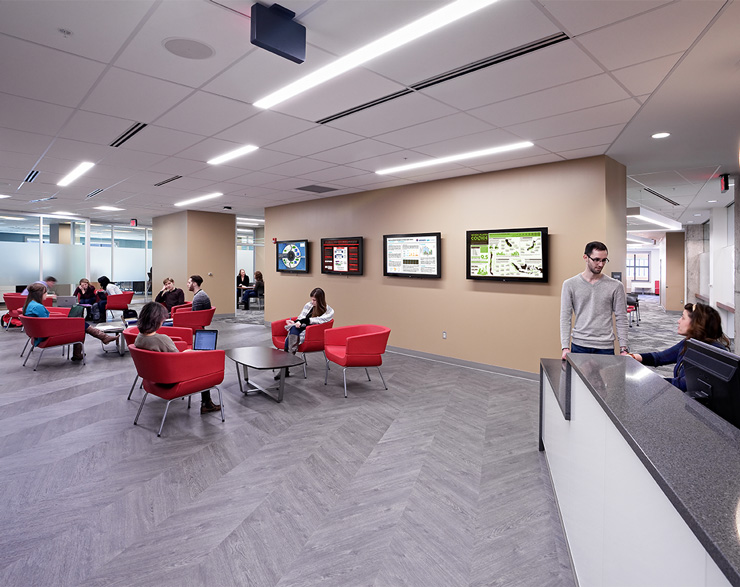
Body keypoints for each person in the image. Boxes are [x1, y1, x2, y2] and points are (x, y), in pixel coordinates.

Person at [133, 301, 220, 413]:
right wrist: (190, 353)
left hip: (152, 379)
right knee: (205, 363)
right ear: (157, 321)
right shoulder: (162, 340)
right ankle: (207, 403)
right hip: (170, 382)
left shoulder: (138, 338)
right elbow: (179, 361)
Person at [631, 303, 730, 391]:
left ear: (696, 323)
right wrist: (633, 357)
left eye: (683, 317)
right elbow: (660, 357)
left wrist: (646, 383)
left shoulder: (710, 353)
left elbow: (684, 384)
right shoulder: (689, 343)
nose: (678, 321)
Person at [560, 241, 628, 360]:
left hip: (605, 347)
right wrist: (565, 346)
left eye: (604, 260)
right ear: (585, 257)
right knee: (577, 379)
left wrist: (624, 348)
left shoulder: (616, 286)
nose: (601, 264)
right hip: (579, 345)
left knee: (605, 379)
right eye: (596, 259)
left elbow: (621, 317)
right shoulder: (570, 284)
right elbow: (565, 317)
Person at [23, 282, 118, 361]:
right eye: (45, 293)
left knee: (79, 324)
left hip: (38, 335)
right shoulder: (38, 307)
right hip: (45, 336)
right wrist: (64, 322)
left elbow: (46, 322)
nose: (46, 295)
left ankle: (102, 338)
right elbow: (47, 324)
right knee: (80, 325)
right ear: (39, 294)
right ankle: (100, 339)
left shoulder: (29, 305)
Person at [277, 287, 334, 379]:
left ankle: (285, 368)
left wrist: (303, 322)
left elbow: (318, 320)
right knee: (293, 330)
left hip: (311, 332)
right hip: (301, 326)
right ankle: (288, 363)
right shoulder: (309, 305)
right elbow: (301, 316)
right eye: (311, 299)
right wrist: (296, 322)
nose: (312, 302)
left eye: (314, 300)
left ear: (320, 300)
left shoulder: (329, 311)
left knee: (292, 334)